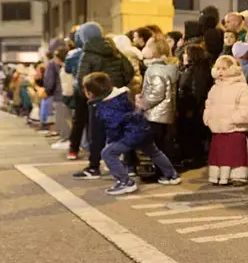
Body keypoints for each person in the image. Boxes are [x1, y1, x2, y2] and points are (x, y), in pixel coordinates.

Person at [82, 71, 181, 196]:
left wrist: (112, 142)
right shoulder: (120, 96)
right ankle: (172, 175)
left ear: (90, 93)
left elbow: (113, 127)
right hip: (142, 128)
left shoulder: (106, 107)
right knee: (154, 152)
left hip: (130, 134)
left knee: (108, 153)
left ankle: (125, 182)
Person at [73, 22, 135, 180]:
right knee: (122, 131)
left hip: (99, 99)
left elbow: (82, 79)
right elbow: (129, 70)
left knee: (97, 135)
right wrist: (120, 86)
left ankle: (94, 167)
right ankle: (130, 165)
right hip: (117, 96)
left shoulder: (88, 53)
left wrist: (89, 95)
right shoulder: (115, 51)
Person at [202, 55, 248, 186]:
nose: (220, 71)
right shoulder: (214, 88)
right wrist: (208, 118)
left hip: (234, 127)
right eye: (218, 68)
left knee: (234, 153)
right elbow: (208, 105)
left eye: (224, 68)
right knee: (220, 153)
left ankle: (237, 175)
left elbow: (247, 107)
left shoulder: (241, 87)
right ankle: (219, 175)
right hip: (218, 128)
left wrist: (233, 120)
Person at [139, 34, 179, 171]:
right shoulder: (166, 68)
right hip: (165, 113)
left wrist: (143, 103)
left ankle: (162, 171)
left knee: (156, 145)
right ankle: (166, 170)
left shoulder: (155, 70)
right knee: (164, 143)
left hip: (155, 113)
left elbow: (156, 93)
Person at [176, 44, 214, 170]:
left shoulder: (199, 71)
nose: (183, 56)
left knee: (194, 135)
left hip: (194, 109)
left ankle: (196, 158)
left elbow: (197, 91)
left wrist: (190, 108)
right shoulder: (187, 69)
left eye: (186, 53)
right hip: (188, 108)